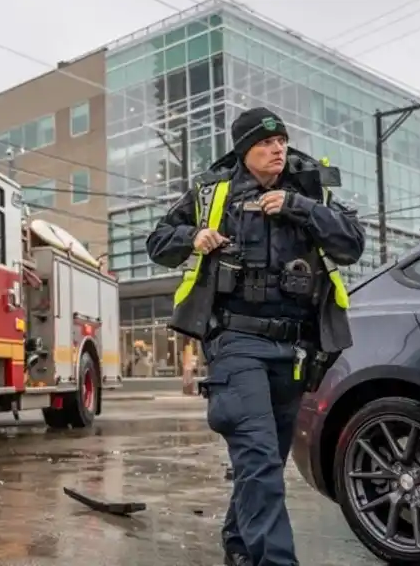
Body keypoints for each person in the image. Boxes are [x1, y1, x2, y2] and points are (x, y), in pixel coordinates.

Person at [146, 107, 365, 566]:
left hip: (294, 350)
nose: (278, 149)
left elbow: (351, 245)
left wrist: (301, 209)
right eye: (266, 143)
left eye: (282, 141)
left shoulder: (311, 189)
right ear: (245, 150)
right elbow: (158, 242)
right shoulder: (213, 193)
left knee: (261, 466)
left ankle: (240, 547)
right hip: (235, 344)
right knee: (260, 461)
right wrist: (195, 235)